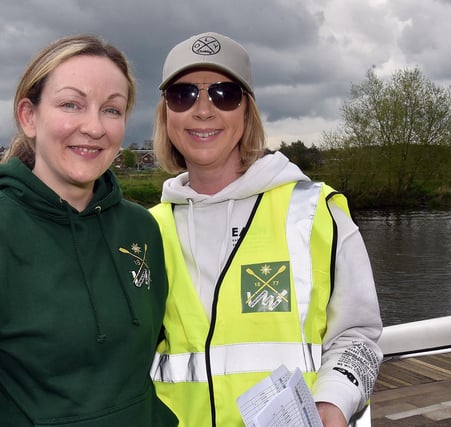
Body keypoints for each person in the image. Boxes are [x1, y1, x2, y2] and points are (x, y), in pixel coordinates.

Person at [0, 34, 177, 426]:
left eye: (112, 110)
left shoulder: (141, 230)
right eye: (72, 104)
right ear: (29, 117)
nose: (94, 127)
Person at [149, 32, 383, 427]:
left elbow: (359, 339)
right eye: (183, 94)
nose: (202, 110)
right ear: (166, 112)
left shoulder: (315, 213)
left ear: (247, 111)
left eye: (224, 94)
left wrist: (334, 403)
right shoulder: (146, 232)